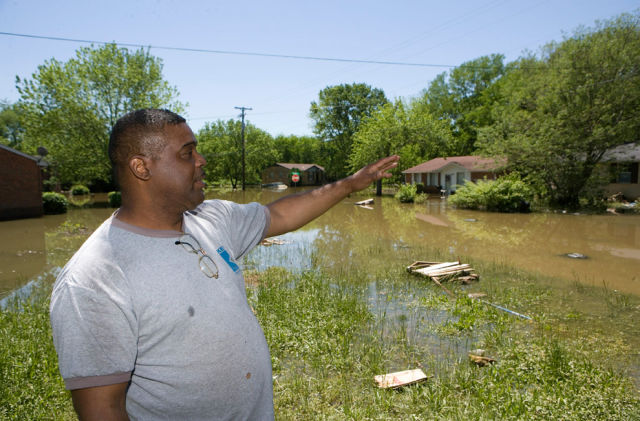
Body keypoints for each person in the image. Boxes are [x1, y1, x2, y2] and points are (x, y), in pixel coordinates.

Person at [49, 108, 399, 421]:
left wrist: (351, 184)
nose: (201, 161)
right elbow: (101, 409)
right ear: (142, 167)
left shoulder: (211, 218)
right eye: (187, 153)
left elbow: (280, 213)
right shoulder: (94, 277)